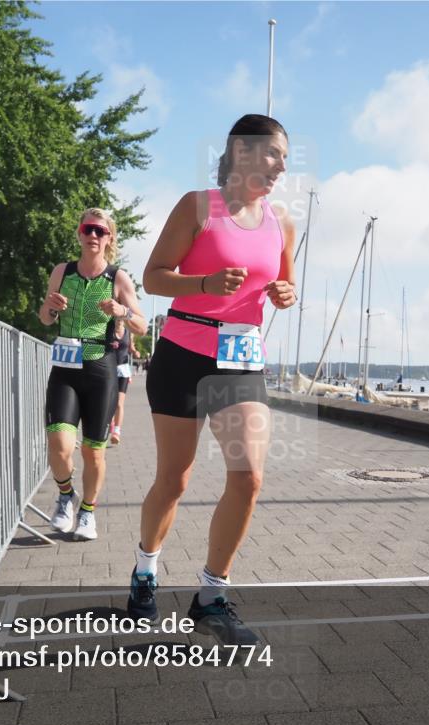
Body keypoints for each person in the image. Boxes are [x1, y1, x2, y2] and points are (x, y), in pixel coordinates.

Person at [125, 115, 296, 644]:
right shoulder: (198, 206)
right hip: (182, 350)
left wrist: (286, 295)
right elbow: (154, 277)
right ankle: (145, 570)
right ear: (240, 152)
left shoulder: (283, 221)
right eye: (273, 154)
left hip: (241, 358)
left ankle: (212, 595)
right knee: (174, 479)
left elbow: (284, 281)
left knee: (248, 477)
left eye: (286, 158)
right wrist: (202, 281)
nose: (281, 166)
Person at [38, 208, 146, 541]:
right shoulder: (62, 271)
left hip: (100, 368)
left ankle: (87, 512)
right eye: (88, 229)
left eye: (101, 231)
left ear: (109, 238)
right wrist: (51, 307)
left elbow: (141, 324)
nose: (94, 236)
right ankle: (65, 495)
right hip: (66, 367)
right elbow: (44, 318)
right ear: (79, 234)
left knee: (93, 450)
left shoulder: (117, 277)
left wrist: (123, 311)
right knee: (58, 444)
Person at [109, 321, 141, 445]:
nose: (119, 321)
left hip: (123, 370)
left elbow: (131, 348)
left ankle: (117, 431)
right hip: (109, 369)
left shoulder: (128, 333)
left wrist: (135, 352)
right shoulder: (109, 330)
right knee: (109, 401)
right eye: (116, 319)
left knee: (119, 403)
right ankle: (110, 423)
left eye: (121, 319)